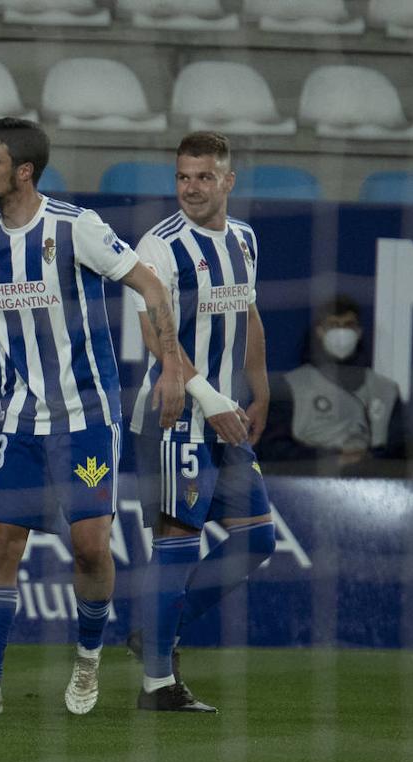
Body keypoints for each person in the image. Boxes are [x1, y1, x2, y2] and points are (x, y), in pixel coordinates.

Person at [0, 117, 186, 717]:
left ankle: (87, 660)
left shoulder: (74, 227)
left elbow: (149, 283)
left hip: (86, 419)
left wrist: (171, 368)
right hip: (20, 423)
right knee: (3, 543)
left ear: (23, 171)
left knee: (90, 547)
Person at [126, 130, 277, 713]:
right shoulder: (159, 246)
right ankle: (158, 685)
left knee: (257, 537)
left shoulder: (243, 238)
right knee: (179, 545)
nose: (191, 188)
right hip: (173, 419)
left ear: (228, 181)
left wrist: (259, 390)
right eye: (183, 177)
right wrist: (208, 397)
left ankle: (156, 631)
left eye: (203, 177)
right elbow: (153, 332)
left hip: (226, 420)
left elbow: (248, 312)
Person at [259, 294, 406, 477]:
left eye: (348, 325)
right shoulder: (291, 386)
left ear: (359, 332)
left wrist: (366, 459)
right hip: (305, 484)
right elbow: (272, 449)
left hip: (374, 485)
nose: (342, 332)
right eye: (333, 325)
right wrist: (332, 459)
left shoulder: (386, 389)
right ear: (319, 331)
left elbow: (400, 451)